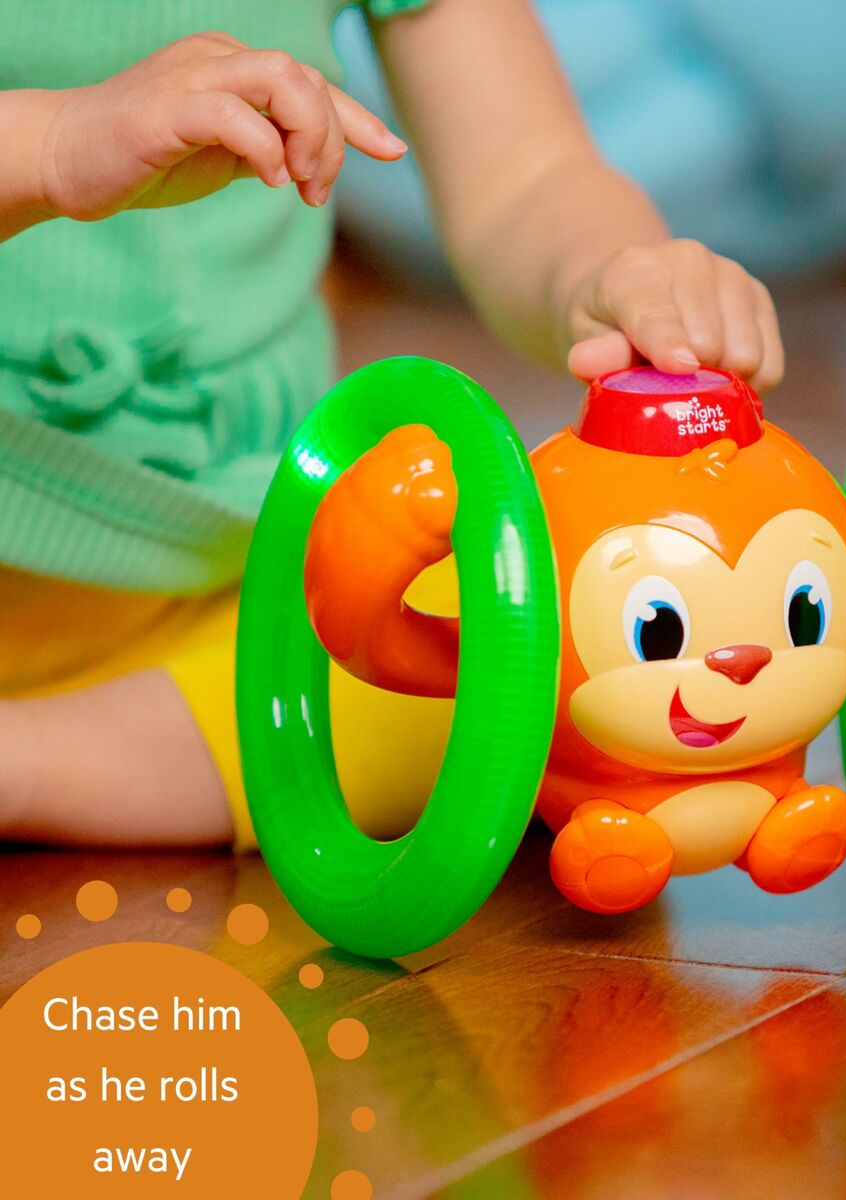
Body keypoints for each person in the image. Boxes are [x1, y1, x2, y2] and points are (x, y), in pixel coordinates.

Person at [0, 1, 782, 850]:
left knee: (518, 647)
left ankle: (30, 760)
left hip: (235, 566)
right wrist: (53, 145)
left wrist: (611, 273)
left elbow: (527, 177)